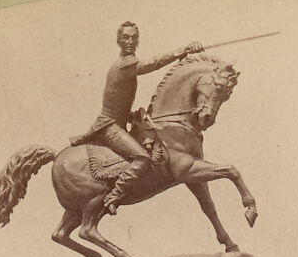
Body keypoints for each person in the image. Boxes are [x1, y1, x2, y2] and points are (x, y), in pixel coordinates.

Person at [73, 22, 204, 215]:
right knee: (142, 158)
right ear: (118, 41)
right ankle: (113, 196)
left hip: (120, 121)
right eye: (126, 37)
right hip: (110, 126)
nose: (130, 41)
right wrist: (182, 50)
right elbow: (152, 63)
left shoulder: (127, 62)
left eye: (134, 37)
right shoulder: (125, 64)